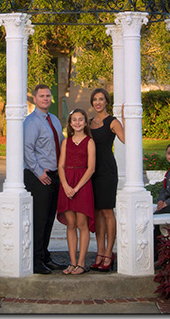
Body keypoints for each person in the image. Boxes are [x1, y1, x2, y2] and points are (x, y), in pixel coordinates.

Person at [23, 84, 67, 274]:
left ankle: (45, 255)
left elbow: (62, 142)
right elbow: (27, 150)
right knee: (39, 219)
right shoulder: (31, 122)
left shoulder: (54, 120)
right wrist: (39, 172)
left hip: (54, 175)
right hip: (38, 177)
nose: (46, 99)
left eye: (48, 96)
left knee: (49, 219)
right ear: (35, 99)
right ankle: (35, 259)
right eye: (41, 96)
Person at [88, 87, 125, 272]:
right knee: (96, 213)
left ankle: (110, 253)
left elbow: (128, 140)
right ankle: (100, 252)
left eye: (101, 99)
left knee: (107, 211)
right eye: (95, 99)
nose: (98, 102)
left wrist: (125, 120)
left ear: (106, 102)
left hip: (107, 171)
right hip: (90, 172)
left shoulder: (112, 121)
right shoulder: (88, 123)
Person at [56, 108, 96, 275]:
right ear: (70, 123)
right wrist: (65, 185)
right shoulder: (66, 142)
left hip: (82, 184)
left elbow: (91, 168)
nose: (78, 122)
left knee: (82, 224)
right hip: (67, 183)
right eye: (74, 120)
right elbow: (61, 166)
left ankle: (81, 263)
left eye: (81, 119)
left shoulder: (89, 142)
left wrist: (76, 188)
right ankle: (72, 262)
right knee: (71, 224)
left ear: (85, 123)